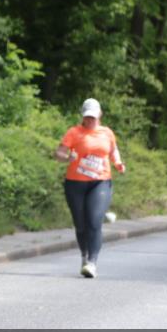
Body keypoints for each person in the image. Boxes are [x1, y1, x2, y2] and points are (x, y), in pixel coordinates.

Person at [55, 98, 125, 278]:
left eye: (93, 117)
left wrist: (117, 162)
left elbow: (113, 150)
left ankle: (92, 262)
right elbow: (59, 153)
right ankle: (84, 255)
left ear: (100, 115)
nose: (90, 120)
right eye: (87, 117)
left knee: (94, 221)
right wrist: (66, 158)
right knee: (80, 225)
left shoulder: (107, 133)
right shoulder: (74, 132)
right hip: (75, 183)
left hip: (100, 182)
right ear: (83, 116)